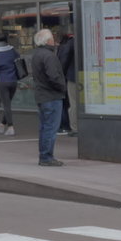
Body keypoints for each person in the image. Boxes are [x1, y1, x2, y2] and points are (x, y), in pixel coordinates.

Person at [31, 28, 67, 166]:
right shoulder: (49, 56)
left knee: (44, 127)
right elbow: (53, 76)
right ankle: (46, 157)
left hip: (42, 95)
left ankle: (44, 155)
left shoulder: (37, 54)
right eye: (52, 38)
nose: (54, 40)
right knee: (51, 128)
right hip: (51, 96)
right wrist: (62, 87)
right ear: (47, 41)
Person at [56, 30, 78, 136]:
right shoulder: (83, 41)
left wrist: (61, 75)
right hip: (86, 76)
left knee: (73, 103)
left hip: (72, 77)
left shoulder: (69, 44)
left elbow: (63, 61)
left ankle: (74, 128)